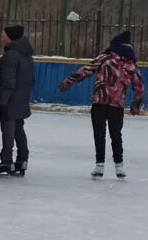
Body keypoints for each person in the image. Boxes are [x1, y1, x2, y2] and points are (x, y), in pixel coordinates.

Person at [59, 30, 142, 179]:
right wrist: (136, 102)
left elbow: (85, 70)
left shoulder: (104, 58)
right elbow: (139, 84)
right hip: (117, 103)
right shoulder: (130, 64)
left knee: (100, 134)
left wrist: (69, 81)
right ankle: (119, 166)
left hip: (100, 101)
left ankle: (100, 165)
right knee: (116, 134)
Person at [0, 24, 34, 176]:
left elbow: (8, 82)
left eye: (3, 36)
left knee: (8, 130)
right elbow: (31, 79)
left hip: (10, 99)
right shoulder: (27, 55)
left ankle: (6, 161)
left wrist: (3, 101)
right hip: (22, 97)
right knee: (18, 128)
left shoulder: (10, 56)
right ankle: (22, 159)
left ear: (11, 38)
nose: (2, 39)